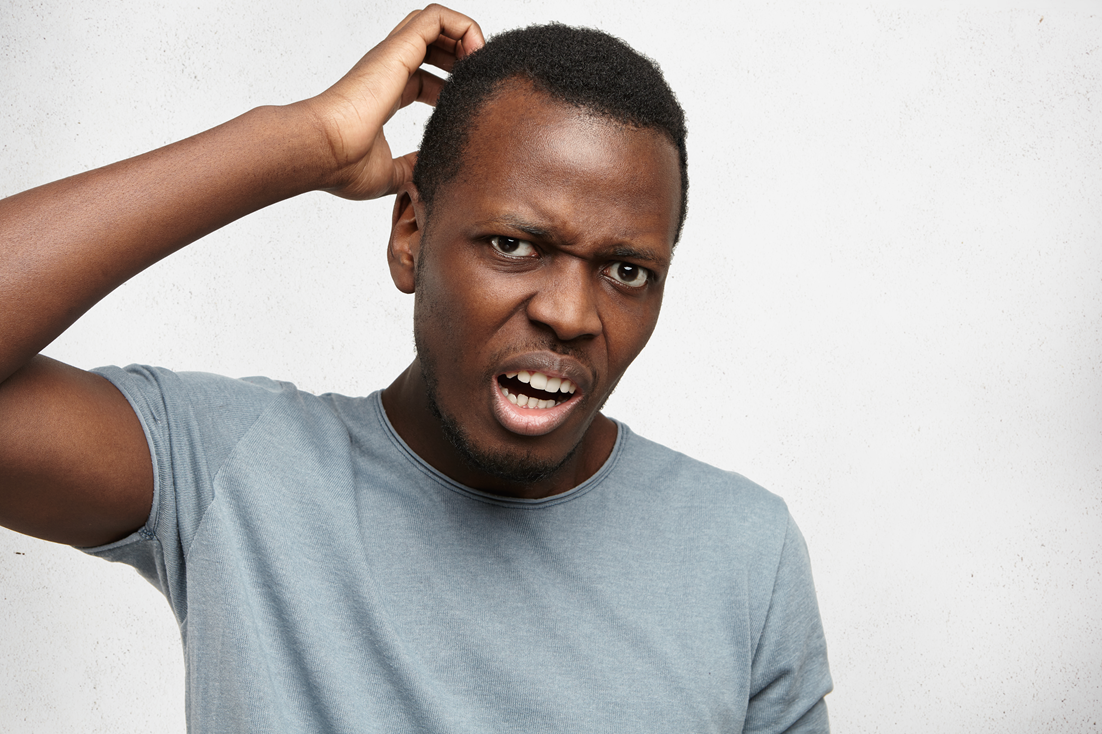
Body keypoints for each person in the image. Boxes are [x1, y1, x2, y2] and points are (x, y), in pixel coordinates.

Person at [0, 5, 832, 731]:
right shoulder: (231, 468)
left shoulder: (744, 554)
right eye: (514, 244)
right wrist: (304, 143)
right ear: (409, 236)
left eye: (627, 271)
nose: (572, 314)